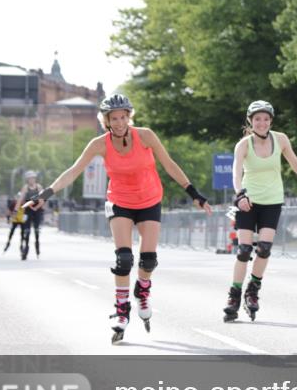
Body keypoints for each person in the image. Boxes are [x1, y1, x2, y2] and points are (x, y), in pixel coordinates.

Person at [25, 94, 212, 343]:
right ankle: (122, 310)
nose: (120, 122)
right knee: (124, 259)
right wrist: (45, 194)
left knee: (148, 260)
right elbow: (73, 171)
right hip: (120, 201)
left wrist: (194, 194)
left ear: (129, 116)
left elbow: (169, 164)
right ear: (106, 120)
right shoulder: (99, 144)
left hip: (149, 200)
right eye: (115, 118)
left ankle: (142, 292)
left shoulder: (145, 136)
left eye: (124, 117)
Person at [224, 100, 297, 322]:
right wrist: (240, 195)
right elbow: (236, 171)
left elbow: (296, 163)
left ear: (271, 121)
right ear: (250, 122)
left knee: (265, 248)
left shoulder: (280, 139)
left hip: (272, 201)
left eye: (266, 119)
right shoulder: (244, 144)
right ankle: (234, 294)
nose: (262, 123)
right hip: (248, 202)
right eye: (257, 119)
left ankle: (253, 290)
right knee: (243, 250)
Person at [17, 170, 44, 259]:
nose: (31, 180)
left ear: (35, 179)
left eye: (32, 178)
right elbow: (21, 199)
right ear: (27, 180)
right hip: (28, 211)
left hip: (37, 210)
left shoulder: (39, 187)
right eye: (29, 179)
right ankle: (25, 250)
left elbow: (42, 200)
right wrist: (16, 208)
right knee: (27, 231)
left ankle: (37, 247)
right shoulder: (25, 188)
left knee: (36, 231)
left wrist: (36, 208)